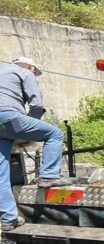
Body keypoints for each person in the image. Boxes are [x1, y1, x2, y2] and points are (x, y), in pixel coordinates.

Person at [0, 57, 72, 232]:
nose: (34, 74)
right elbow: (36, 104)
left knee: (1, 173)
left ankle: (8, 219)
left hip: (3, 126)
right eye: (34, 71)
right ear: (30, 67)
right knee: (54, 133)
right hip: (8, 116)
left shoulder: (2, 71)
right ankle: (48, 176)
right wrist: (30, 131)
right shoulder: (25, 72)